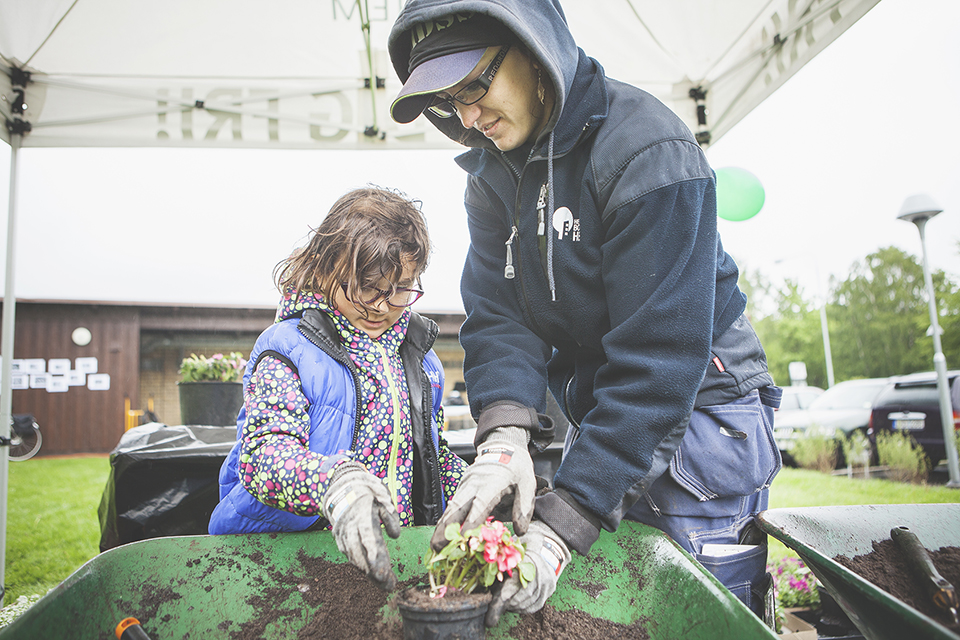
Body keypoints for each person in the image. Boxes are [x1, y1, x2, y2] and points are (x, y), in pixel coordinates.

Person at [388, 0, 782, 626]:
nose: (466, 116)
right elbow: (498, 314)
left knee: (691, 619)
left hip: (699, 413)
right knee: (610, 616)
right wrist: (505, 438)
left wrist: (567, 516)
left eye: (476, 85)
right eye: (447, 100)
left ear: (536, 46)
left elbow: (659, 361)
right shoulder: (491, 178)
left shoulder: (646, 152)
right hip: (609, 414)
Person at [208, 186, 467, 591]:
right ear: (326, 267)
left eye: (400, 288)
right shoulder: (288, 348)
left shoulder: (422, 360)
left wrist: (473, 486)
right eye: (366, 287)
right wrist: (333, 482)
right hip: (287, 560)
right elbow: (263, 456)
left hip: (390, 554)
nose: (381, 305)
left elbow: (429, 457)